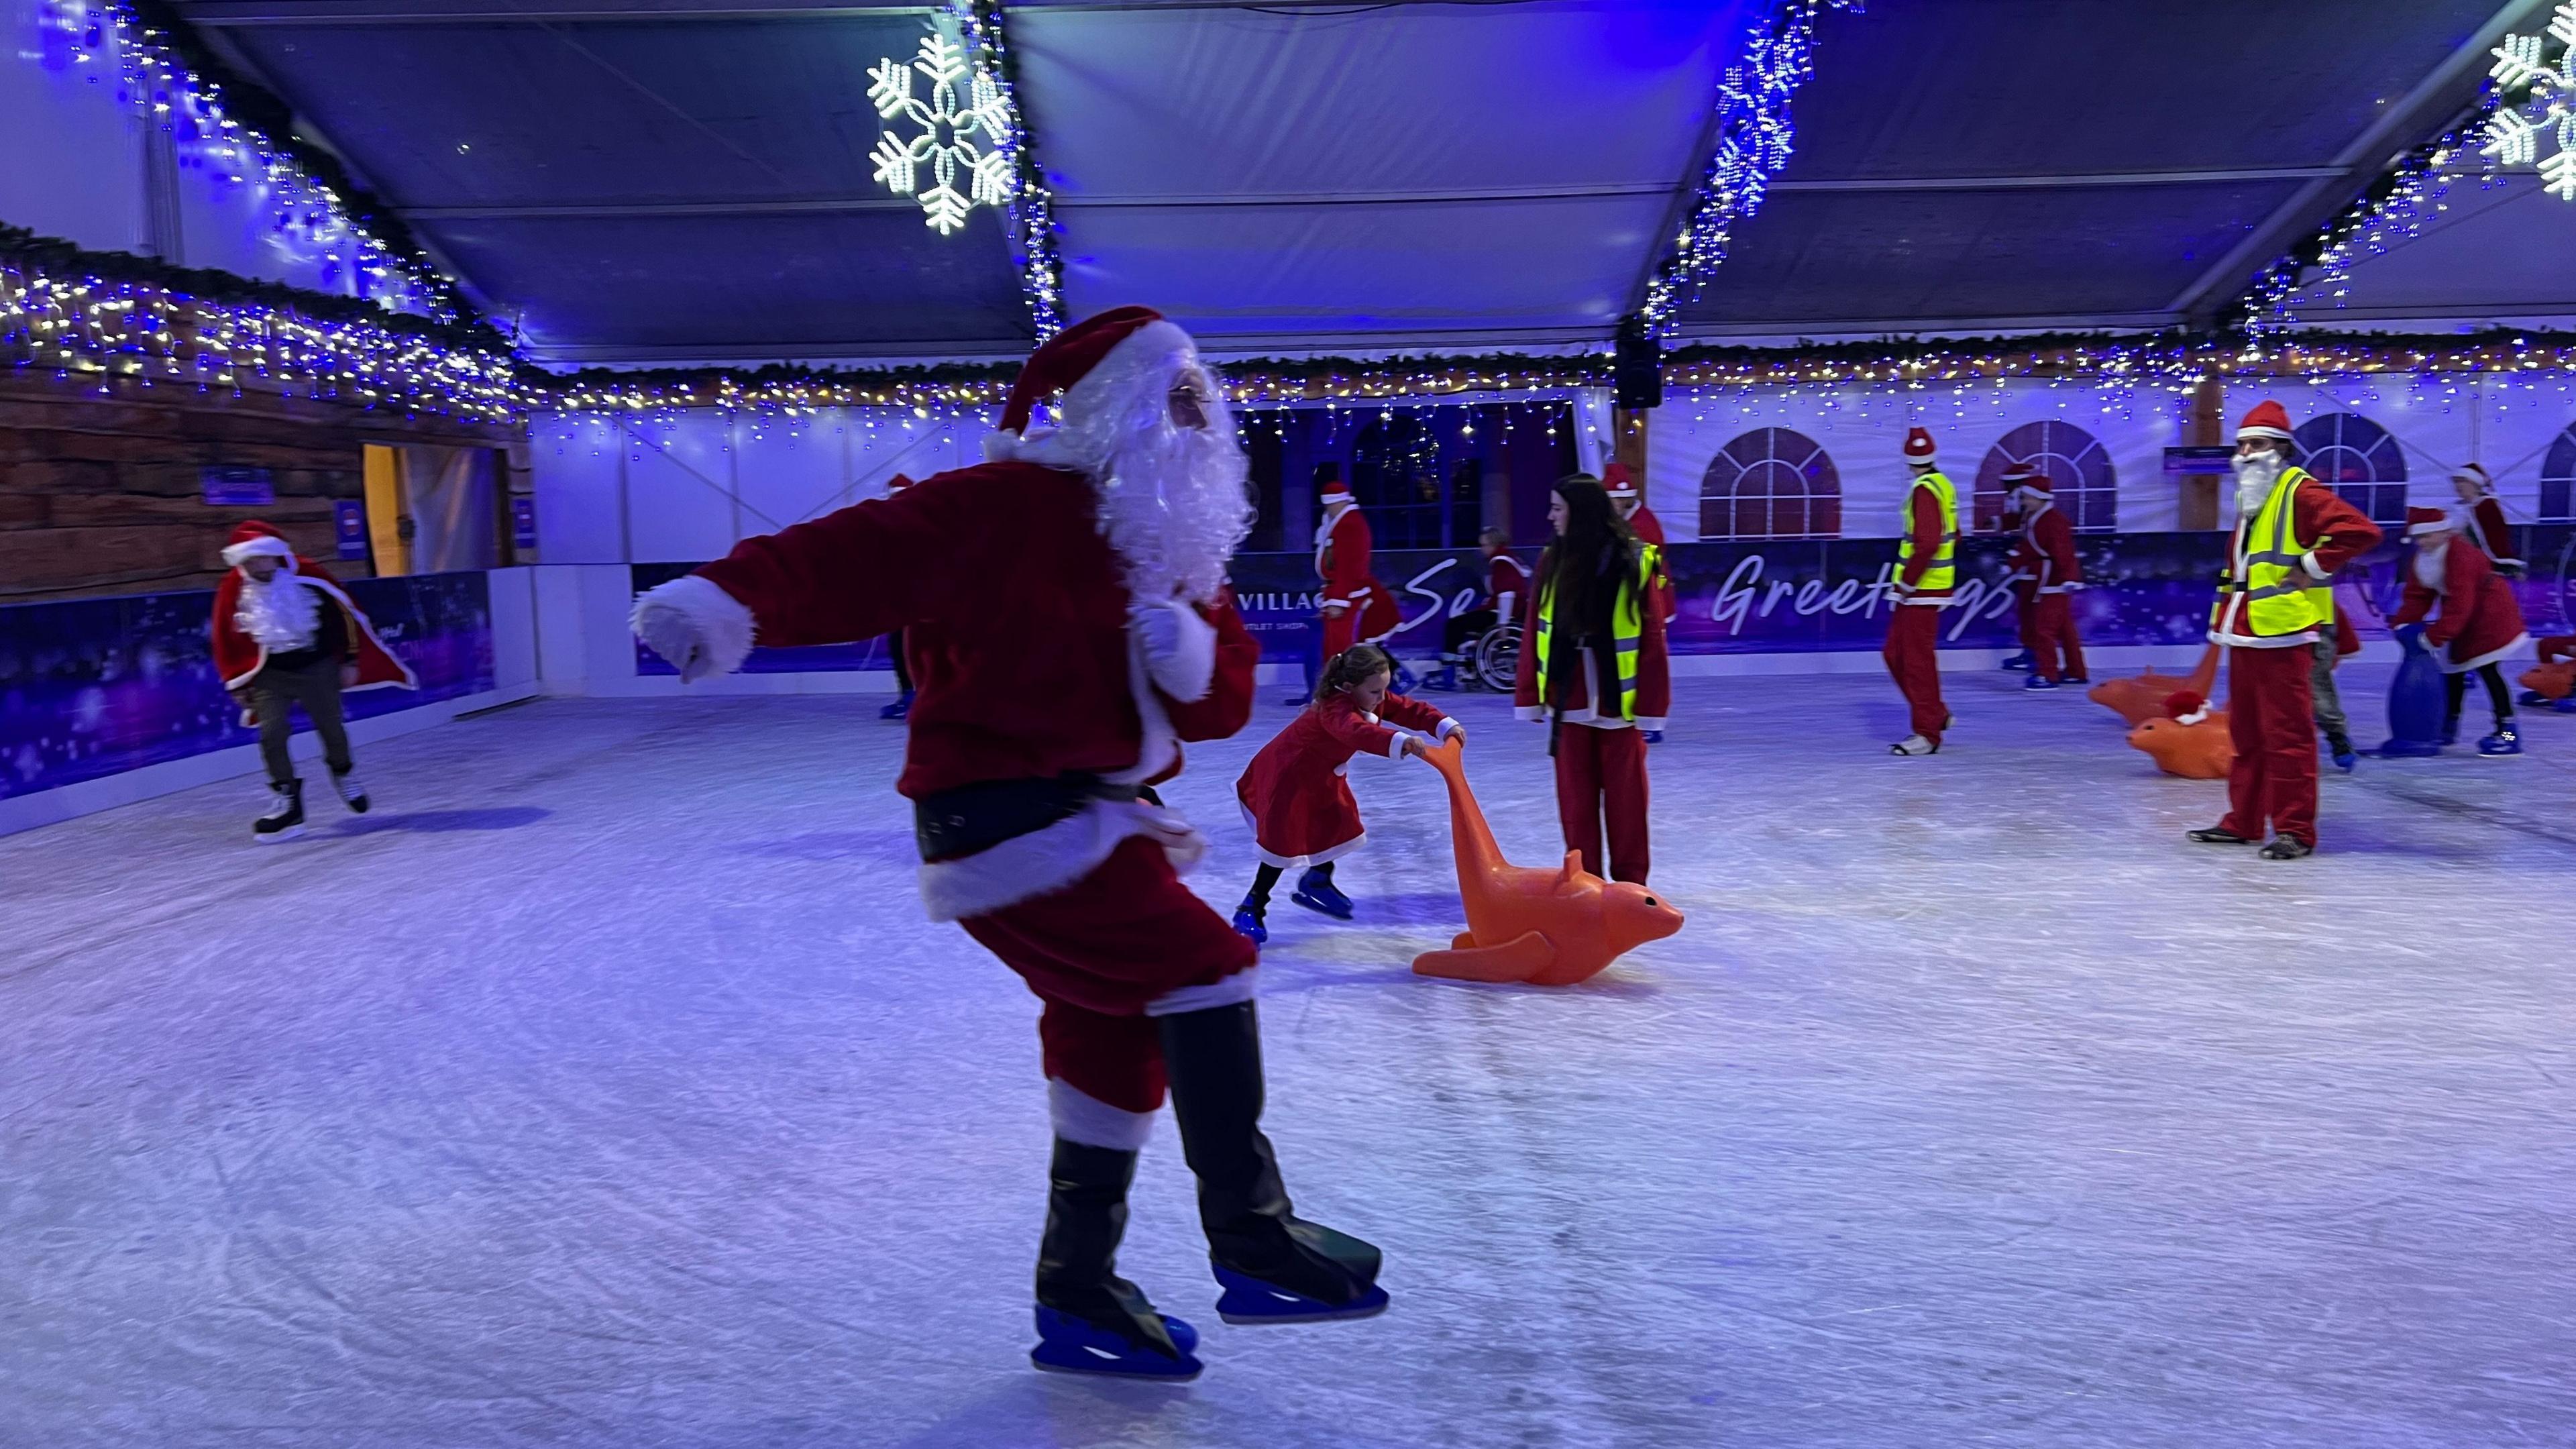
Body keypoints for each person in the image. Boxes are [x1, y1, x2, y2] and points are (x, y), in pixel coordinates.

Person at [628, 306, 1386, 1383]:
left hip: (1106, 820)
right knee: (1206, 971)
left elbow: (1217, 712)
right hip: (1005, 817)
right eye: (1170, 398)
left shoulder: (1180, 552)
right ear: (1110, 410)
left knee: (1109, 1045)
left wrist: (1186, 650)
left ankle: (1077, 1294)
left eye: (1200, 402)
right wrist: (724, 601)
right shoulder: (1003, 505)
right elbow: (853, 556)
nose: (1196, 421)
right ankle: (1254, 1239)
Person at [2190, 401, 2383, 859]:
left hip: (2284, 633)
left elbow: (2360, 532)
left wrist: (2309, 566)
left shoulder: (2299, 491)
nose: (2245, 452)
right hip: (2246, 630)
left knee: (2289, 737)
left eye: (2255, 444)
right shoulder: (2253, 497)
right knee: (2248, 736)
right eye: (2240, 445)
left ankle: (2295, 830)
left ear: (2280, 449)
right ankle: (2244, 821)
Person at [1231, 643, 1462, 942]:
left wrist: (1444, 727)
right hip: (1286, 778)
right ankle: (1251, 906)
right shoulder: (1335, 707)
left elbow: (1406, 707)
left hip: (1320, 776)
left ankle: (1318, 879)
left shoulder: (1368, 697)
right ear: (1349, 686)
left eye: (1384, 690)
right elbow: (1355, 731)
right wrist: (1399, 740)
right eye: (1375, 692)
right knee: (1281, 844)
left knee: (1334, 823)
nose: (1381, 699)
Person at [210, 520, 415, 841]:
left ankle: (343, 772)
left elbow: (346, 612)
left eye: (264, 557)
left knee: (331, 729)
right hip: (270, 675)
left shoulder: (307, 573)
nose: (259, 565)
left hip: (316, 666)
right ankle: (287, 800)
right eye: (251, 560)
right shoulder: (233, 588)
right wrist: (237, 682)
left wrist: (349, 659)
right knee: (272, 735)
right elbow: (224, 637)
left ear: (277, 555)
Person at [1513, 475, 1669, 883]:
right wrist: (1530, 694)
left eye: (1558, 508)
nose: (1551, 517)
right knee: (1576, 806)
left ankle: (1632, 888)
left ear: (1579, 511)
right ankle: (1585, 885)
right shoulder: (1552, 560)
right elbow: (1535, 628)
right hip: (1569, 700)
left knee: (1628, 805)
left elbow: (1651, 638)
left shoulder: (1634, 558)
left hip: (1620, 706)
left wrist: (1653, 710)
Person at [2390, 506, 2530, 756]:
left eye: (2426, 536)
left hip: (2490, 614)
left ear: (2443, 533)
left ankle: (2508, 733)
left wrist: (2435, 637)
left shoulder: (2461, 554)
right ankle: (2447, 726)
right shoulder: (2423, 558)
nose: (2421, 542)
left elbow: (2461, 602)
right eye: (2418, 538)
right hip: (2464, 617)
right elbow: (2418, 595)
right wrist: (2403, 623)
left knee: (2489, 670)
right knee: (2452, 670)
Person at [1884, 427, 1958, 755]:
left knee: (1915, 661)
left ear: (1907, 459)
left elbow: (1927, 543)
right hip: (1925, 588)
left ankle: (1927, 732)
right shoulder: (1941, 486)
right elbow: (1954, 534)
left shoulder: (1925, 490)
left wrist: (1906, 584)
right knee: (1896, 654)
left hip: (1921, 590)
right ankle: (1935, 714)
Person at [1303, 464, 1399, 704]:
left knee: (1341, 649)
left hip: (1348, 596)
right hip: (1342, 594)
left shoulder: (1350, 525)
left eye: (1329, 504)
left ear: (1337, 502)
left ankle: (1343, 697)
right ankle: (1338, 696)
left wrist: (1338, 600)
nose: (1327, 508)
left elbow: (1349, 566)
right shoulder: (1343, 523)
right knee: (1337, 648)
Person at [2006, 468, 2087, 691]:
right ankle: (2076, 671)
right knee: (2064, 628)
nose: (2024, 501)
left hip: (2056, 582)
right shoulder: (2036, 517)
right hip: (2049, 579)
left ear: (2040, 499)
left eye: (2027, 497)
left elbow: (2064, 552)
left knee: (2044, 628)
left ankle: (2048, 674)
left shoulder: (2054, 522)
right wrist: (2012, 563)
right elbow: (2030, 548)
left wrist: (2068, 579)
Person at [1436, 529, 1527, 686]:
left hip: (1501, 613)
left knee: (1454, 625)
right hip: (1505, 610)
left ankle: (1448, 673)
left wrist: (1503, 624)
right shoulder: (1511, 559)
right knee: (1462, 622)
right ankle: (1461, 667)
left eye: (1484, 545)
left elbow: (1507, 594)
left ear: (1493, 545)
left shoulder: (1502, 562)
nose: (1482, 549)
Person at [1603, 462, 1674, 625]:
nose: (1617, 504)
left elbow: (1647, 567)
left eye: (1621, 499)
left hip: (1647, 598)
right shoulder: (1614, 521)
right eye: (1614, 499)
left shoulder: (1644, 524)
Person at [879, 473, 919, 720]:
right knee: (898, 647)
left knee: (911, 648)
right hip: (902, 603)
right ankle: (908, 694)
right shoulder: (889, 528)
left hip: (918, 602)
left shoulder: (919, 525)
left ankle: (916, 696)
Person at [1997, 465, 2041, 673]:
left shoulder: (2026, 501)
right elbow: (2018, 522)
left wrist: (2014, 560)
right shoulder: (2021, 501)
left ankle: (2034, 654)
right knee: (2027, 612)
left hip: (2035, 570)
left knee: (2032, 614)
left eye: (2007, 483)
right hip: (2029, 569)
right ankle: (2030, 651)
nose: (2005, 488)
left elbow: (2030, 537)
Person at [2312, 608, 2363, 774]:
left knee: (2320, 695)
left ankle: (2338, 739)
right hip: (2276, 632)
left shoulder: (2324, 599)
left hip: (2317, 632)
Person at [2450, 463, 2524, 576]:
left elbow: (2495, 539)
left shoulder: (2486, 506)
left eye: (2462, 481)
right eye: (2456, 482)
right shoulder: (2458, 507)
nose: (2458, 485)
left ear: (2475, 484)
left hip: (2486, 564)